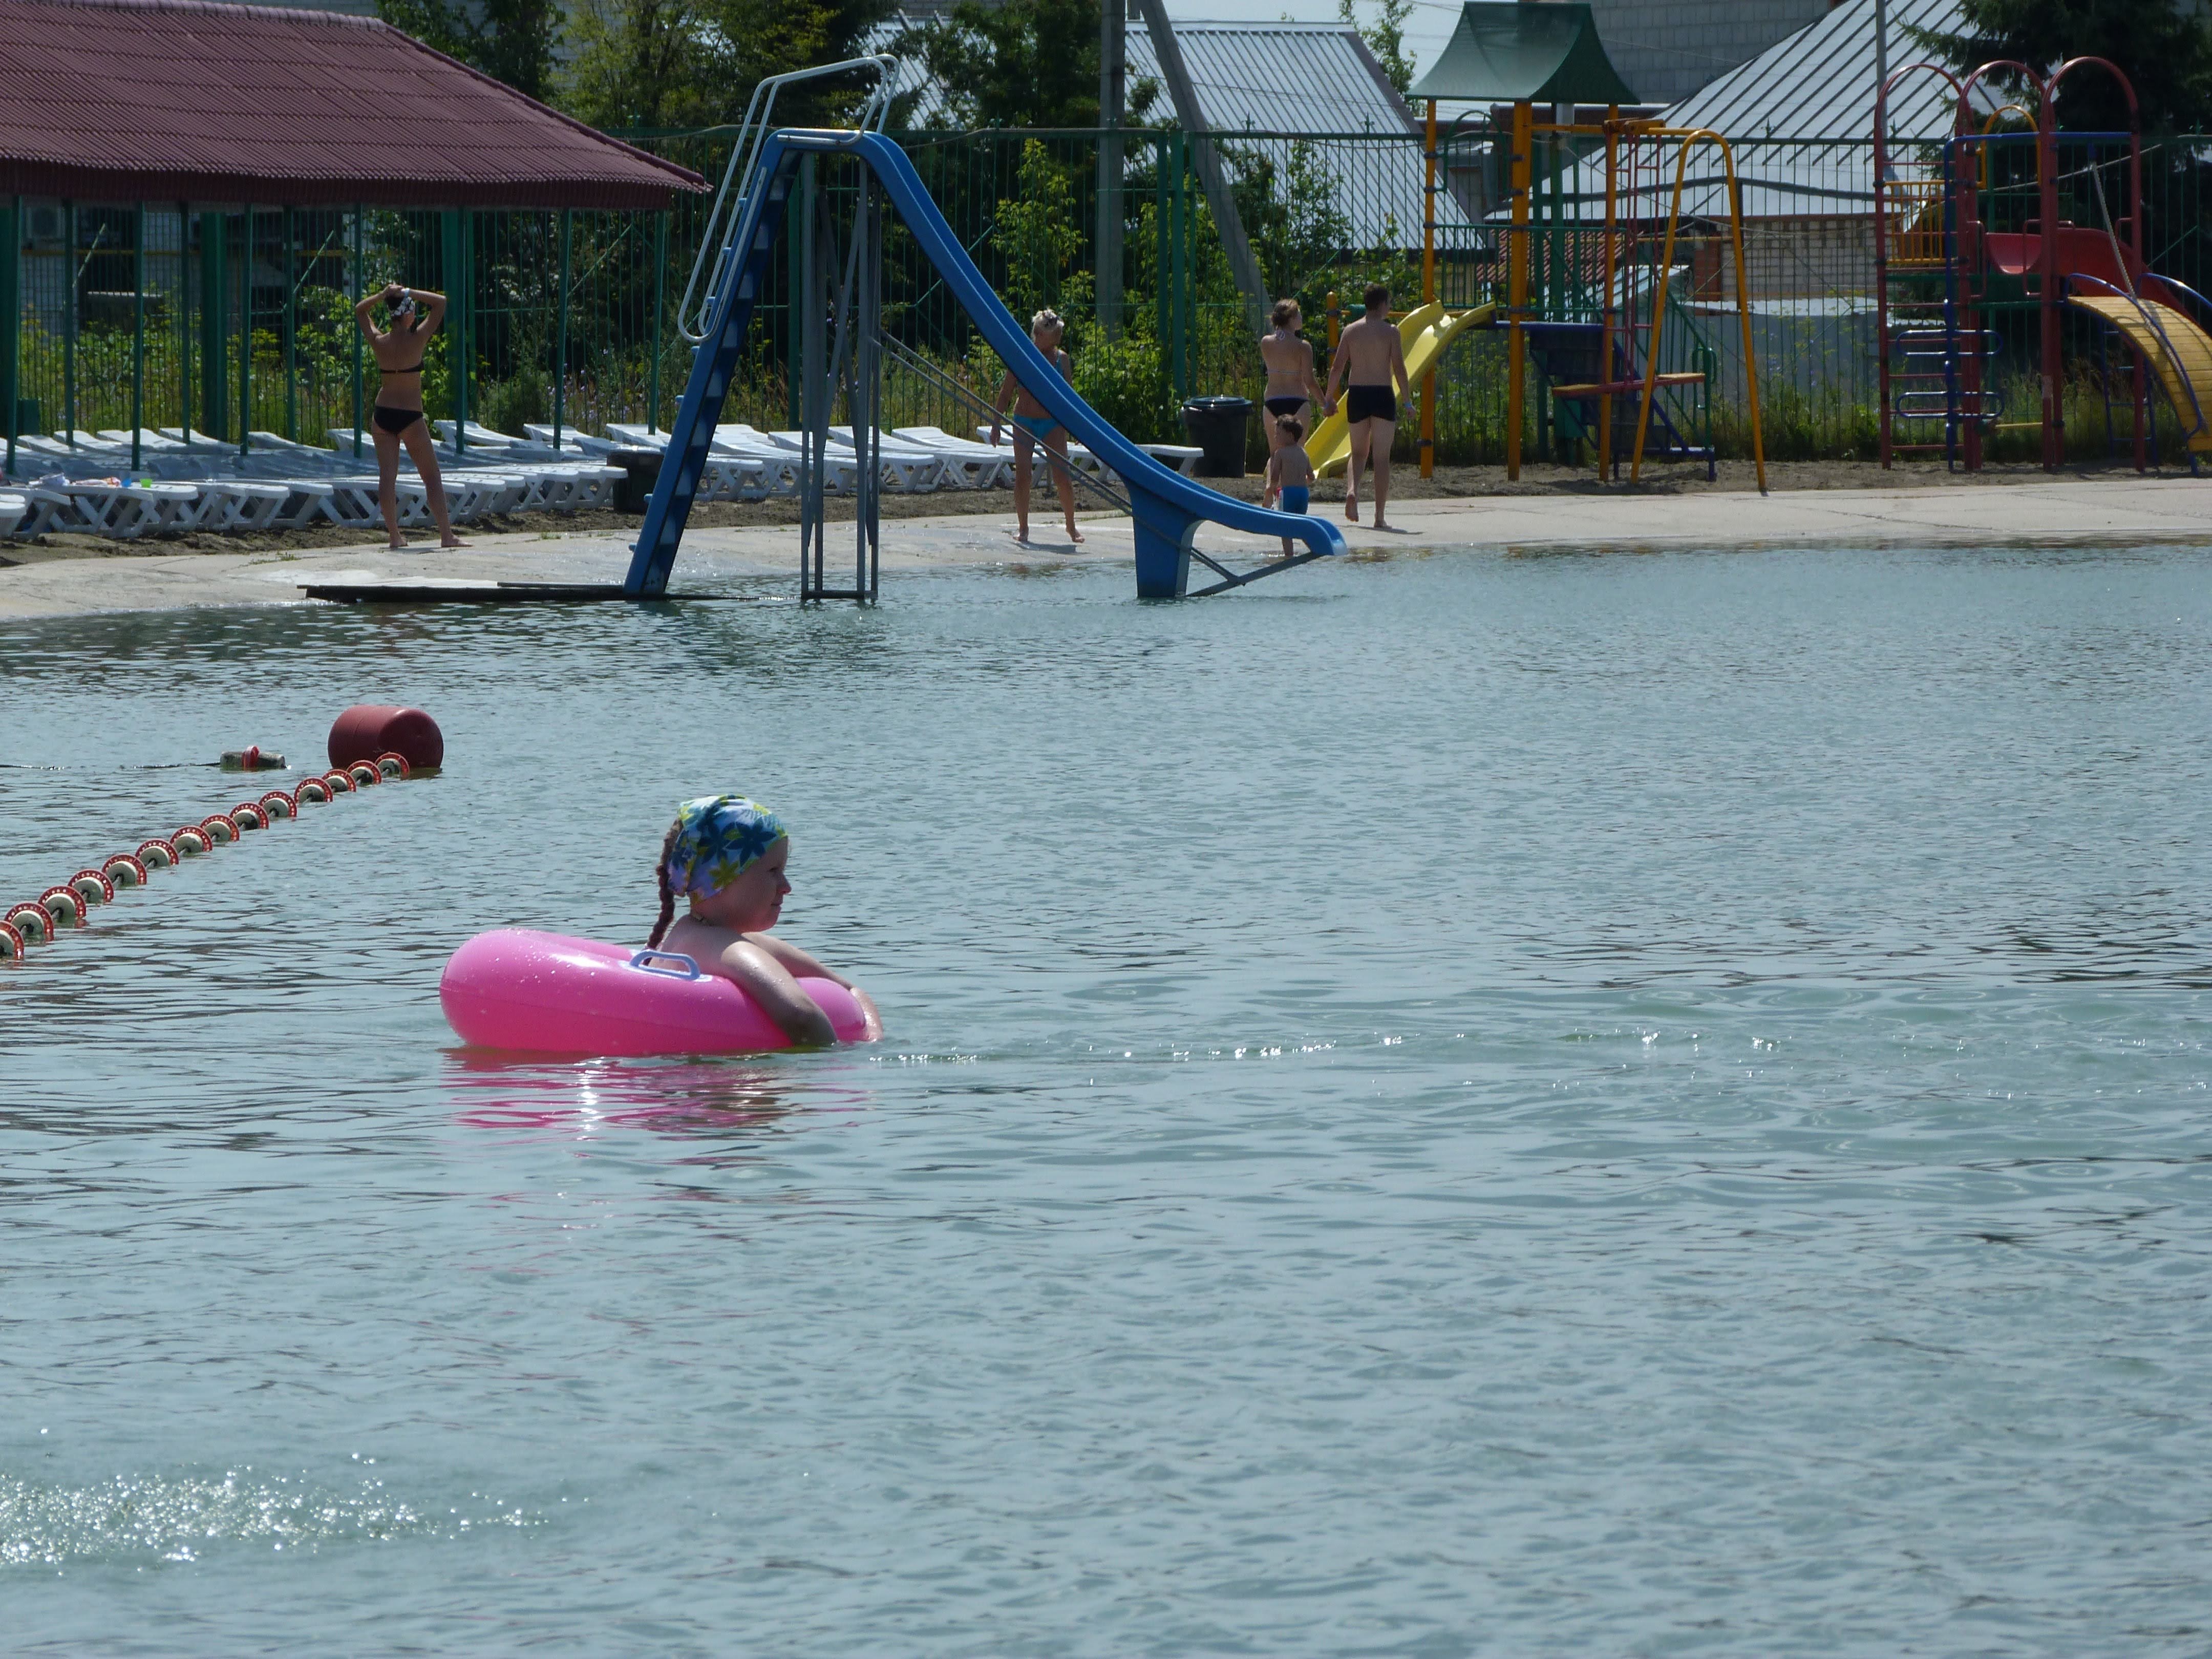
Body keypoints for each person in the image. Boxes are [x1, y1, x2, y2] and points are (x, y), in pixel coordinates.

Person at [648, 795, 883, 1048]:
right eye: (773, 871)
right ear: (722, 880)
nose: (786, 886)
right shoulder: (729, 950)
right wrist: (854, 1061)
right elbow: (801, 1015)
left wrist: (874, 1036)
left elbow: (851, 991)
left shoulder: (683, 936)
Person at [352, 282, 463, 552]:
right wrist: (409, 292)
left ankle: (394, 536)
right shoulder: (417, 339)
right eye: (413, 310)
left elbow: (360, 311)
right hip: (410, 416)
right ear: (408, 313)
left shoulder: (379, 341)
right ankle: (446, 535)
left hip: (383, 414)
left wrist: (383, 295)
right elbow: (441, 303)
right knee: (431, 476)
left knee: (387, 477)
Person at [1321, 282, 1414, 531]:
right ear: (1382, 304)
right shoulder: (1391, 332)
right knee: (1381, 458)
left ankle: (1352, 490)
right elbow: (1400, 369)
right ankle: (1379, 517)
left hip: (1358, 394)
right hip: (1382, 393)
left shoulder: (1351, 331)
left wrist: (1328, 398)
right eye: (1389, 303)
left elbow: (1337, 368)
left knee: (1358, 453)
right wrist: (1407, 401)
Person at [989, 309, 1084, 547]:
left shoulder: (1061, 359)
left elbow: (1070, 397)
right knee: (1023, 475)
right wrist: (996, 424)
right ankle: (1023, 527)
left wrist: (1077, 428)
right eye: (1053, 334)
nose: (1057, 338)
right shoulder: (1021, 356)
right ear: (1039, 334)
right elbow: (1006, 393)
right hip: (1025, 421)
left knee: (1062, 477)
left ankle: (1071, 525)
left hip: (1052, 423)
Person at [1259, 298, 1324, 459]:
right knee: (1298, 453)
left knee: (1275, 455)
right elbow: (1310, 381)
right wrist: (1325, 404)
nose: (1301, 317)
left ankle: (1273, 478)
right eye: (1298, 314)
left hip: (1272, 401)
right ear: (1291, 318)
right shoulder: (1303, 346)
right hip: (1297, 401)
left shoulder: (1266, 342)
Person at [1261, 412, 1315, 558]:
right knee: (1300, 525)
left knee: (1285, 528)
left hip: (1289, 494)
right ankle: (1315, 548)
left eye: (1278, 434)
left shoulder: (1280, 453)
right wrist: (1301, 484)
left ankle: (1289, 556)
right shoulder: (1304, 454)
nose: (1275, 437)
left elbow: (1274, 478)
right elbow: (1312, 477)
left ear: (1290, 436)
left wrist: (1274, 492)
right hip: (1303, 494)